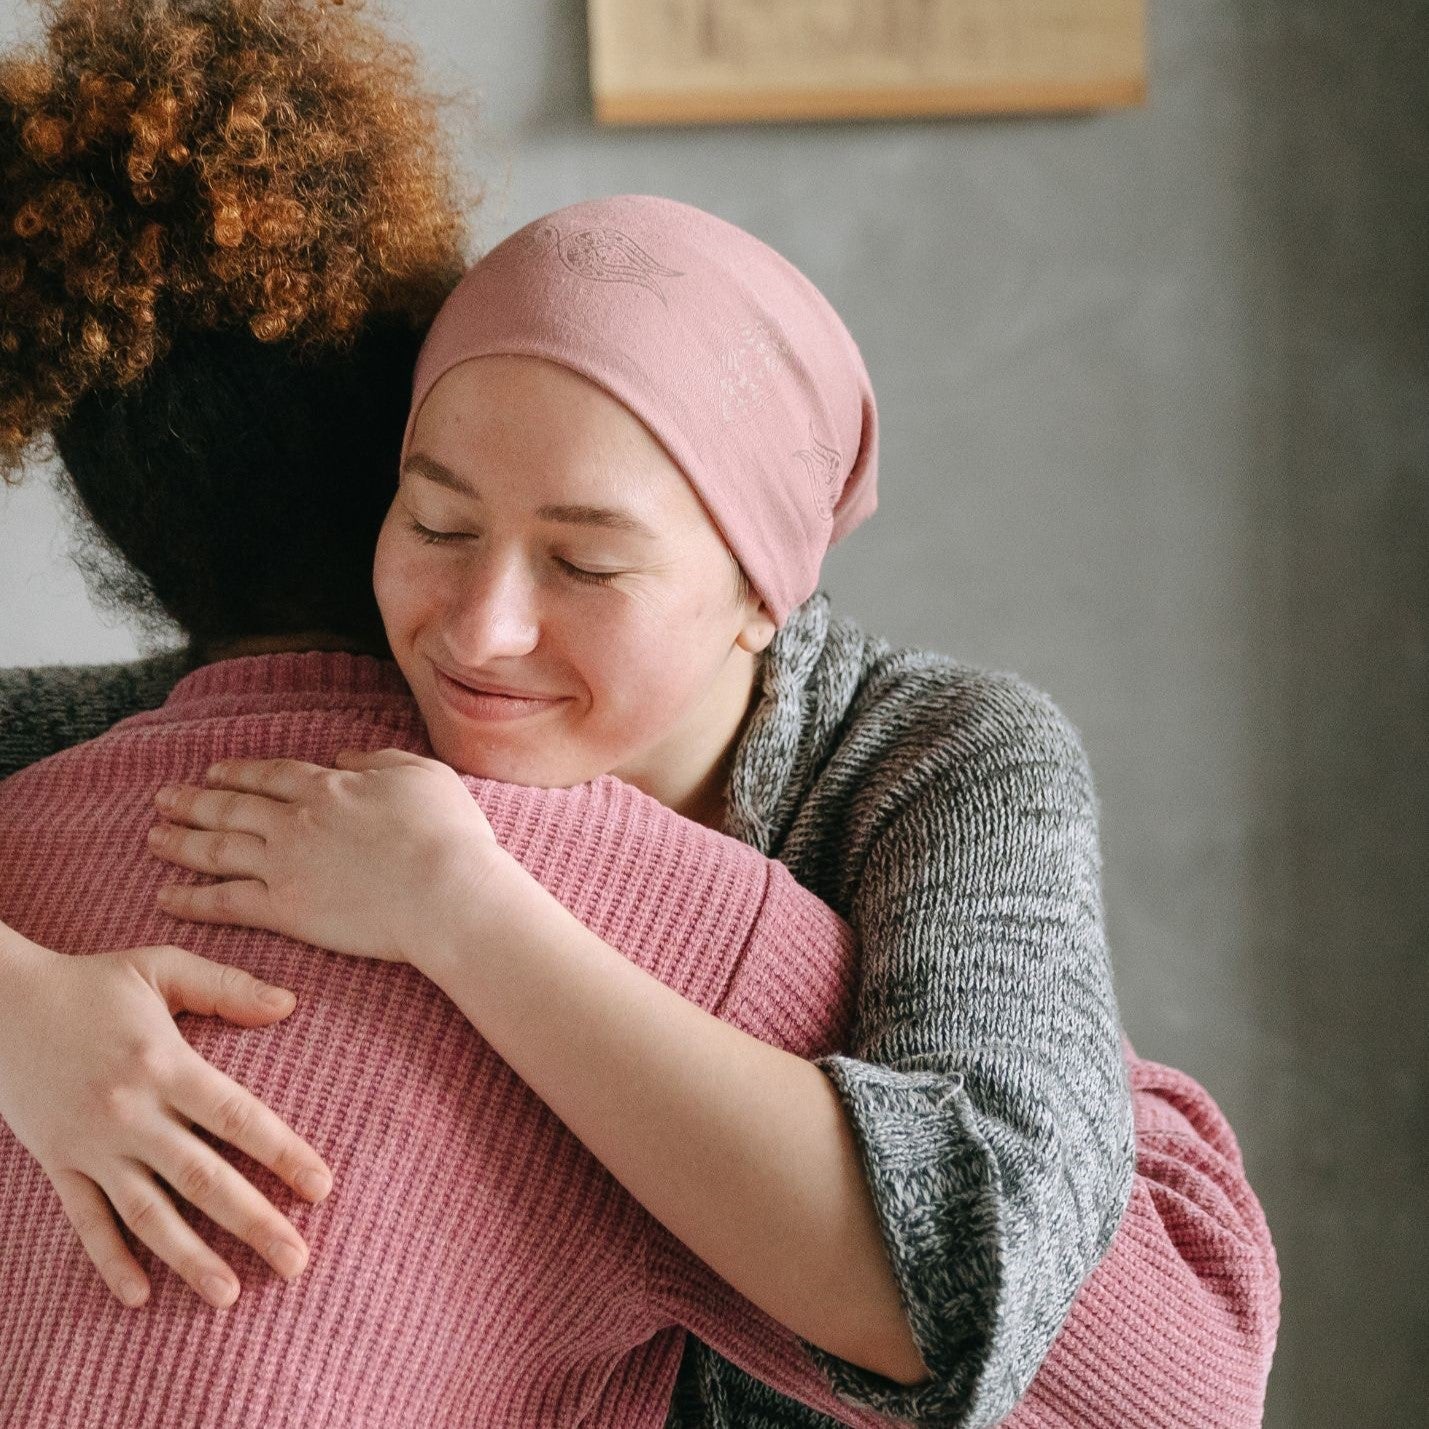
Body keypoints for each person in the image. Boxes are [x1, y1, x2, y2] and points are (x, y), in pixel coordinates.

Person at [0, 6, 1279, 1428]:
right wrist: (20, 1006)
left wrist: (466, 910)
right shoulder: (319, 716)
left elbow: (1037, 1307)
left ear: (759, 595)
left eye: (587, 563)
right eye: (433, 521)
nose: (479, 628)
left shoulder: (937, 759)